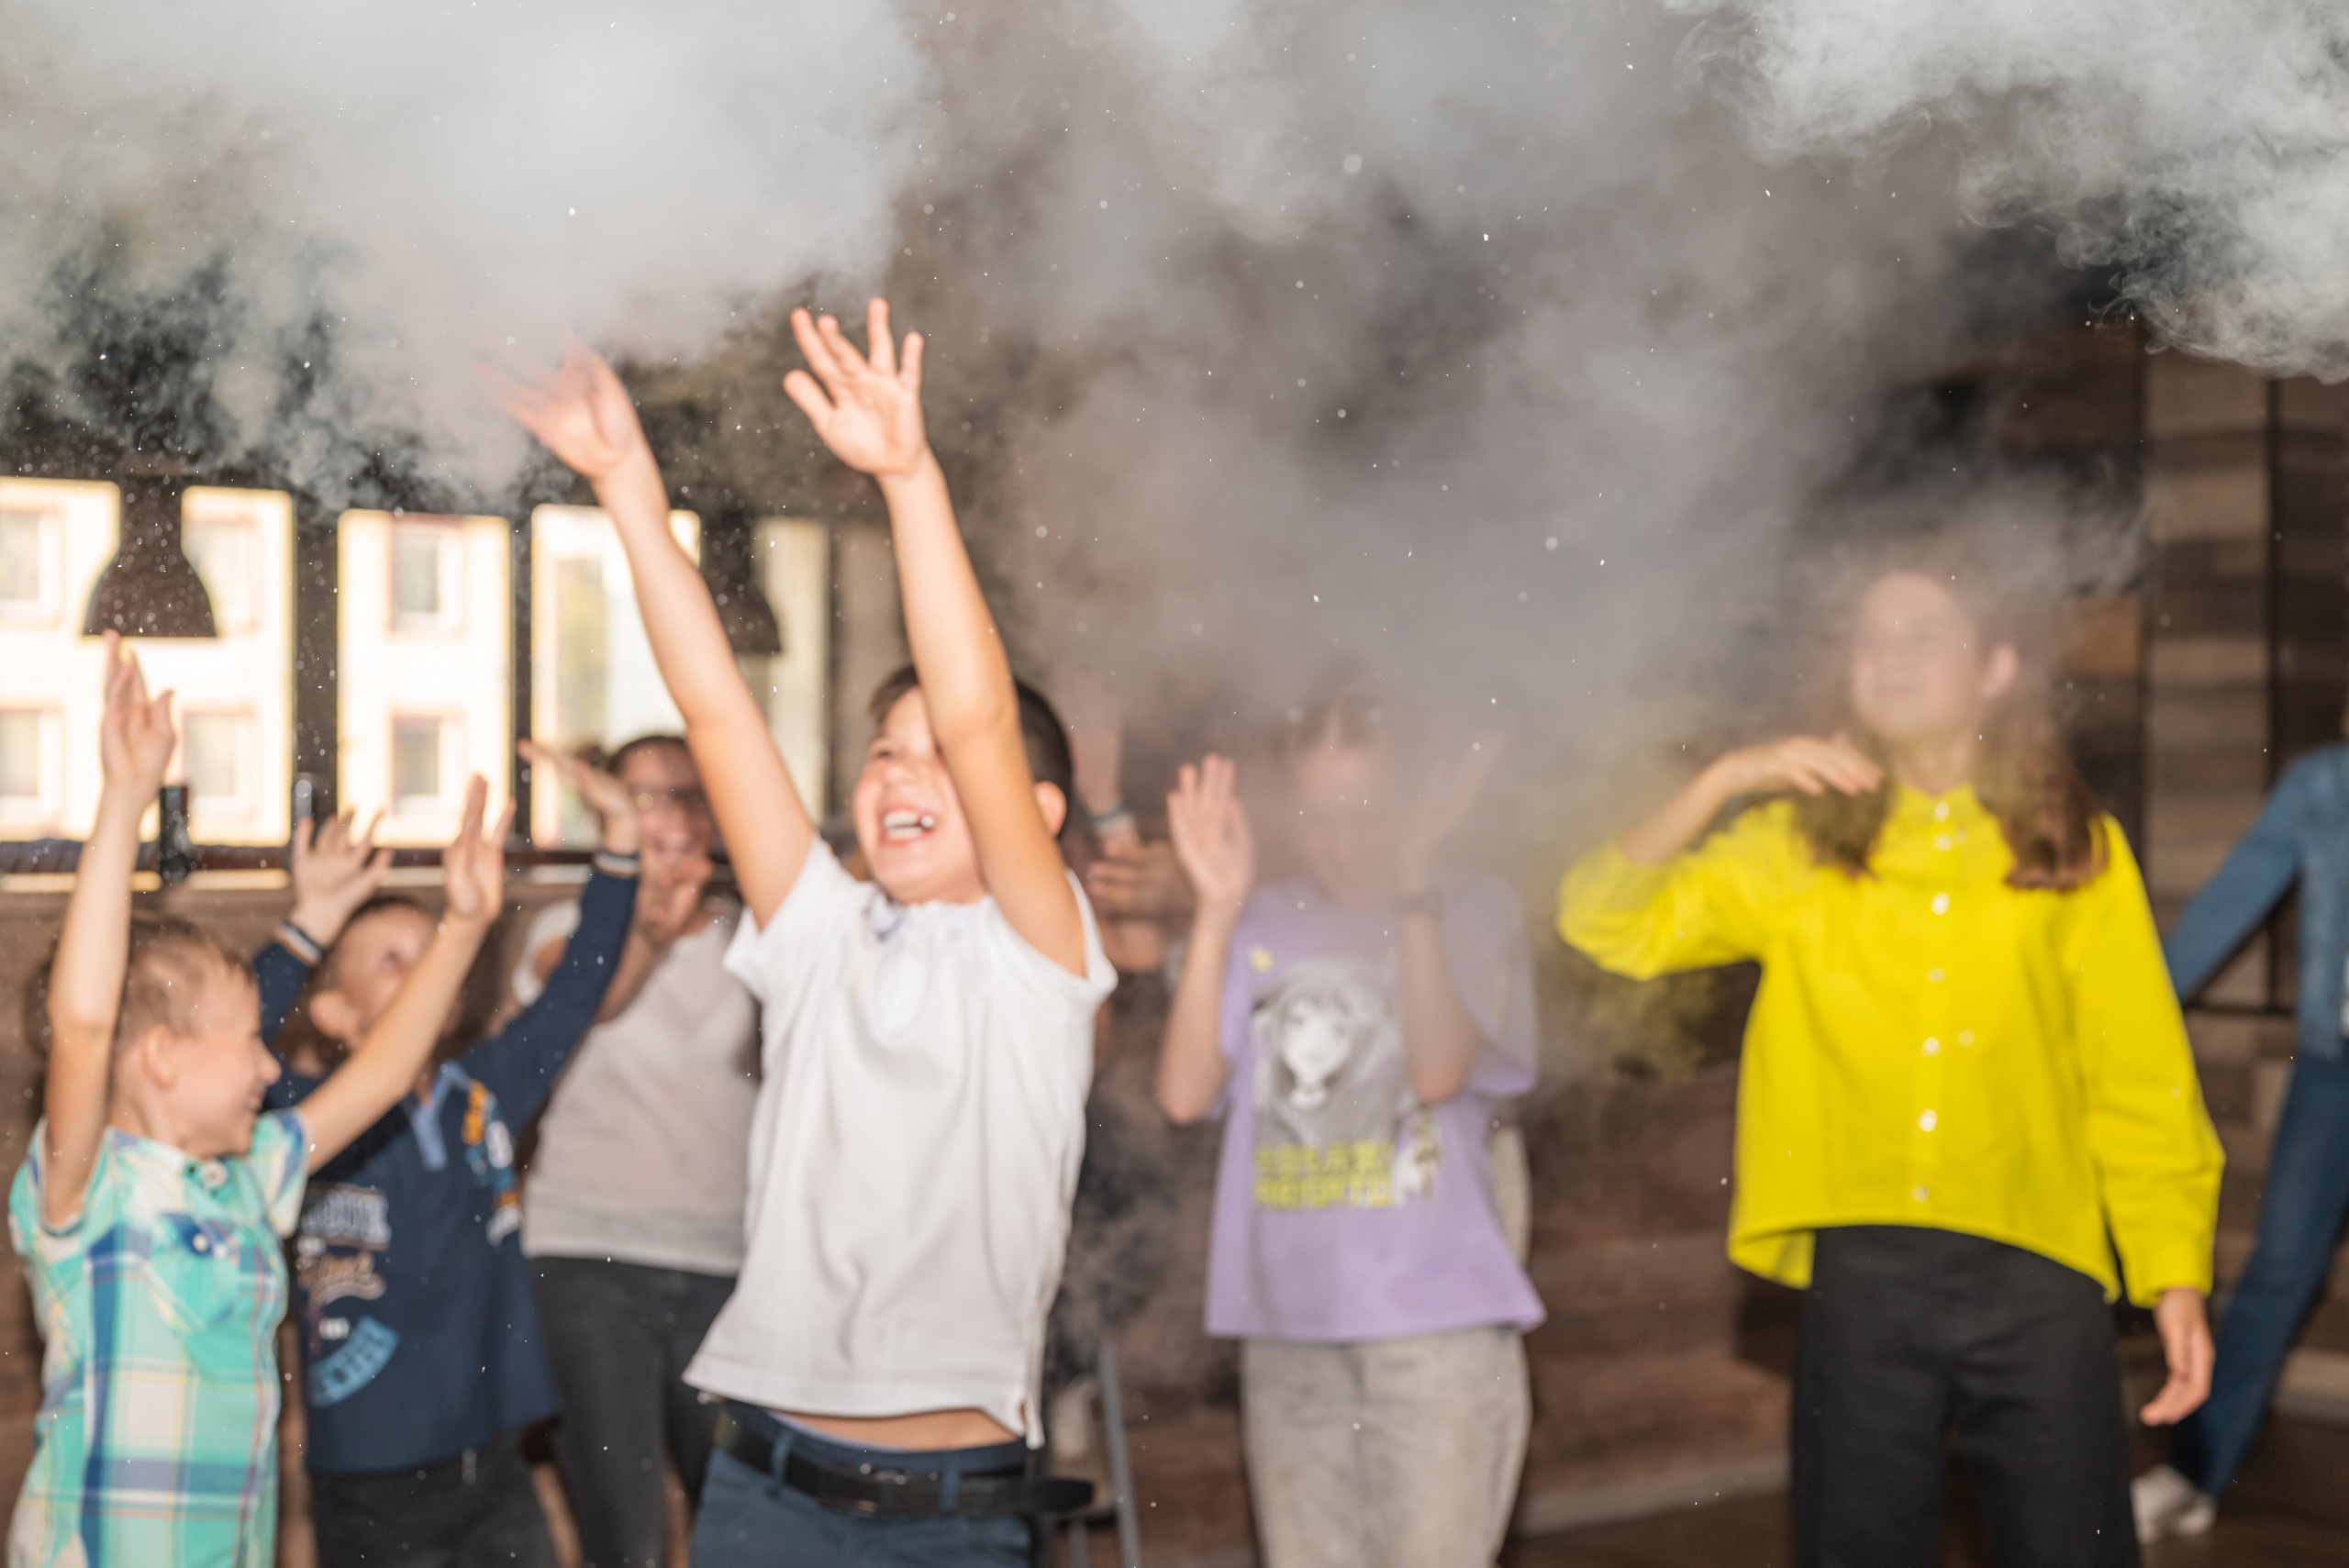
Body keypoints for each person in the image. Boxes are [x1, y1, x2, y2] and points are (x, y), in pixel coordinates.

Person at [499, 298, 1114, 1566]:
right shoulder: (822, 932)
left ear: (1037, 815)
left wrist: (910, 481)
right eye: (883, 752)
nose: (902, 773)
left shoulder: (1038, 962)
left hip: (950, 1513)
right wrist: (625, 480)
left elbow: (981, 722)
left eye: (935, 758)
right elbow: (717, 712)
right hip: (763, 1489)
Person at [1557, 537, 2222, 1568]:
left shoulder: (2076, 848)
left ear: (1995, 668)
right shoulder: (1792, 845)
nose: (1890, 657)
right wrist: (1725, 778)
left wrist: (2173, 1273)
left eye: (1924, 634)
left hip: (2039, 1276)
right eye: (1870, 637)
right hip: (1864, 1279)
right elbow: (1602, 918)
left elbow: (2138, 1076)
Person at [9, 634, 510, 1568]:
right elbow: (84, 1018)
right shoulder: (90, 1190)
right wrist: (124, 797)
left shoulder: (251, 1177)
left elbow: (378, 1075)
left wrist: (466, 924)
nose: (268, 1066)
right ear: (159, 1056)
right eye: (245, 1038)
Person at [1153, 687, 1544, 1568]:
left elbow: (1437, 1070)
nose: (1344, 841)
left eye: (1368, 810)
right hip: (1287, 1330)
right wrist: (1215, 909)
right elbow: (1183, 1093)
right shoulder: (1259, 919)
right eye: (1320, 817)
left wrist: (1413, 885)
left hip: (1436, 1333)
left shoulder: (1472, 908)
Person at [248, 744, 648, 1568]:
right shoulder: (299, 1122)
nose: (424, 968)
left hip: (494, 1460)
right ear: (335, 1012)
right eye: (391, 961)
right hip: (368, 1477)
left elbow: (578, 986)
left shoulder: (486, 1090)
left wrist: (619, 843)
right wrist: (307, 925)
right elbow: (224, 1036)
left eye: (430, 950)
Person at [510, 735, 758, 1568]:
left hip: (726, 1264)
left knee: (735, 1525)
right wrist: (649, 931)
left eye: (689, 794)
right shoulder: (562, 928)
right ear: (606, 812)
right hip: (587, 1259)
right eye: (645, 795)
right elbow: (589, 999)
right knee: (626, 1537)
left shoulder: (755, 935)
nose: (672, 815)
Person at [2132, 743, 2349, 1541]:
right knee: (2277, 1270)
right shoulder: (2323, 783)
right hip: (2332, 1069)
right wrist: (2126, 1022)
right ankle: (2193, 1473)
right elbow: (2227, 903)